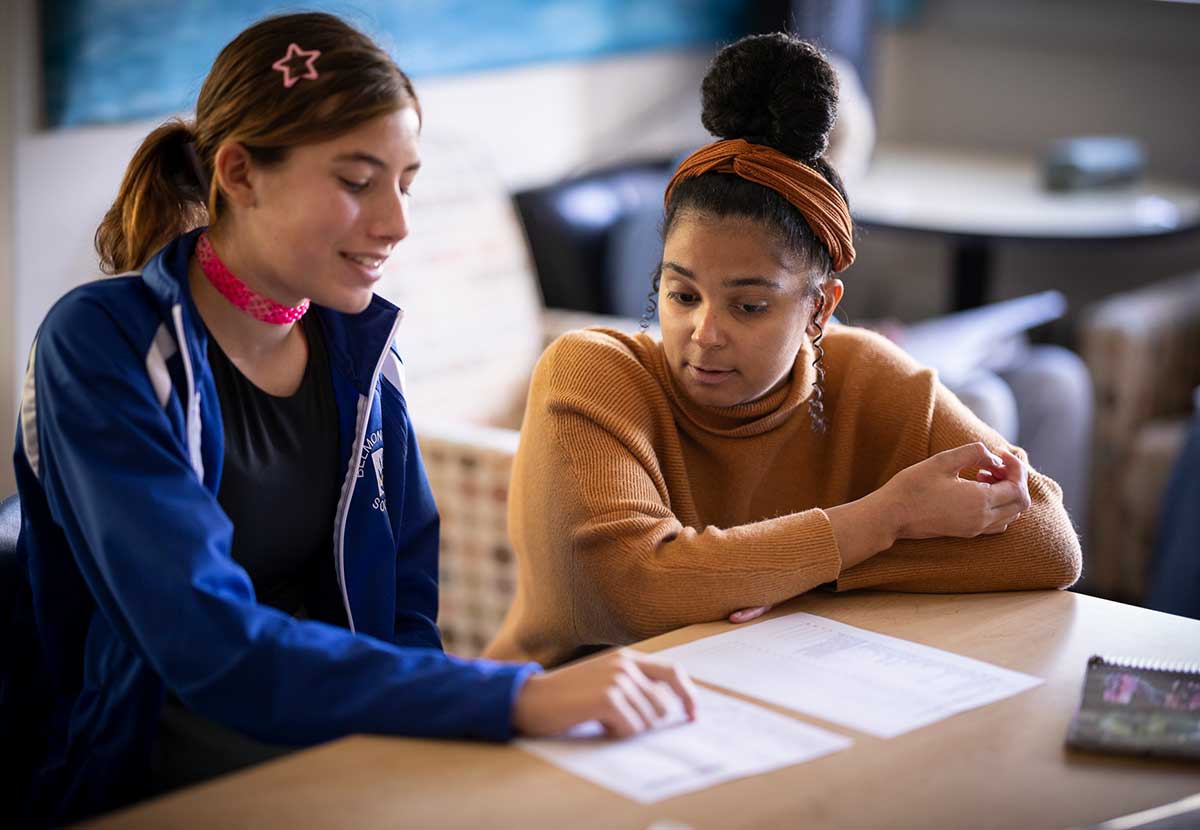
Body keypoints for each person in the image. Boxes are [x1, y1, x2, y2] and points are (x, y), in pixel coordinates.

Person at [4, 13, 695, 826]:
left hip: (337, 727)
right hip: (149, 752)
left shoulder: (360, 349)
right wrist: (505, 697)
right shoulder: (101, 344)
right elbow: (205, 643)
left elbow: (405, 606)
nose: (396, 224)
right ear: (240, 173)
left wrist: (447, 740)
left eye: (405, 182)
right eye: (357, 181)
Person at [485, 33, 1082, 668]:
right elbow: (629, 593)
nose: (705, 332)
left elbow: (1046, 543)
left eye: (748, 306)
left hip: (758, 701)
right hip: (546, 722)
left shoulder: (862, 372)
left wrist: (763, 570)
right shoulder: (592, 372)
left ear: (819, 308)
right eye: (682, 294)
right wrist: (886, 518)